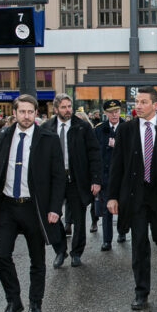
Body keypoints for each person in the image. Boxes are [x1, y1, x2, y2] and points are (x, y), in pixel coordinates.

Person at [0, 94, 65, 312]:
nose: (26, 116)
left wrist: (54, 208)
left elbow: (59, 177)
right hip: (7, 206)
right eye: (22, 112)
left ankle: (35, 302)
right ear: (15, 113)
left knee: (37, 259)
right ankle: (13, 302)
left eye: (31, 112)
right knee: (2, 254)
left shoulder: (48, 139)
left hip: (34, 207)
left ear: (36, 113)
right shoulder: (3, 136)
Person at [107, 87, 157, 310]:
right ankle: (141, 292)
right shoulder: (126, 129)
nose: (137, 106)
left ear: (155, 105)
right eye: (136, 102)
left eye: (142, 102)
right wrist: (112, 196)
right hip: (136, 196)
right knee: (139, 244)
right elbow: (117, 165)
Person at [42, 93, 102, 268]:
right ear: (55, 109)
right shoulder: (46, 128)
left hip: (77, 179)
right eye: (63, 107)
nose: (67, 110)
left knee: (79, 218)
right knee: (52, 217)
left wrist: (95, 179)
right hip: (55, 181)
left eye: (69, 106)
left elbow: (94, 153)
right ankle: (60, 250)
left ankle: (77, 252)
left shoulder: (82, 127)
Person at [93, 99, 123, 251]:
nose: (114, 114)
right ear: (105, 113)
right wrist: (96, 179)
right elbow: (95, 154)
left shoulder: (127, 127)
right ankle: (107, 240)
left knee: (123, 206)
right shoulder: (99, 129)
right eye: (111, 112)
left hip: (123, 176)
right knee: (106, 210)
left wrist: (116, 144)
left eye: (116, 111)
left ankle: (122, 232)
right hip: (105, 176)